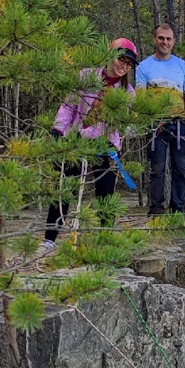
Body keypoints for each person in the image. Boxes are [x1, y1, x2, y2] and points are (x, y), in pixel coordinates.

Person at [41, 38, 138, 254]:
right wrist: (58, 129)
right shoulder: (86, 76)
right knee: (64, 189)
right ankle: (49, 239)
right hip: (75, 140)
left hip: (105, 145)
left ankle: (104, 242)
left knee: (106, 193)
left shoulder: (128, 93)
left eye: (129, 63)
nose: (124, 65)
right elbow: (68, 106)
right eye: (121, 59)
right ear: (110, 55)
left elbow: (122, 125)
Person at [135, 24, 185, 215]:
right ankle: (156, 210)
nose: (165, 42)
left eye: (168, 39)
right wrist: (137, 122)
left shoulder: (183, 66)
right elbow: (140, 99)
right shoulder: (144, 66)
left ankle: (177, 211)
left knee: (181, 170)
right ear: (154, 39)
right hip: (156, 125)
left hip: (180, 124)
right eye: (161, 38)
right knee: (157, 170)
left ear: (173, 41)